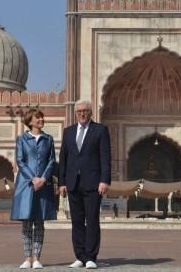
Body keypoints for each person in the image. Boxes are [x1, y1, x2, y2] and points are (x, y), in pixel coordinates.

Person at [59, 100, 111, 269]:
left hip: (93, 183)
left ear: (91, 113)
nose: (82, 114)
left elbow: (105, 157)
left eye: (85, 111)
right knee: (76, 221)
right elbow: (63, 159)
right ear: (75, 113)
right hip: (73, 183)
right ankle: (79, 256)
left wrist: (104, 180)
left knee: (92, 220)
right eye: (79, 111)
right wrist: (62, 182)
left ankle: (91, 257)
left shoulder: (100, 130)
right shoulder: (68, 132)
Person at [11, 108, 57, 269]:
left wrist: (43, 178)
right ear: (30, 121)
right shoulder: (22, 139)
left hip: (43, 184)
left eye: (42, 117)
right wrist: (33, 178)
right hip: (26, 184)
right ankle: (27, 258)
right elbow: (20, 161)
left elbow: (51, 161)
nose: (41, 120)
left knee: (39, 221)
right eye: (38, 117)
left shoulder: (48, 139)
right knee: (26, 221)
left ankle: (37, 257)